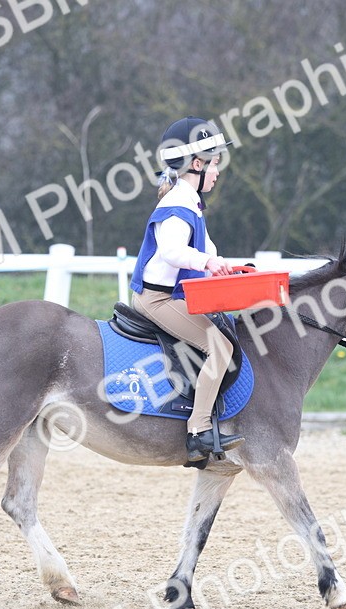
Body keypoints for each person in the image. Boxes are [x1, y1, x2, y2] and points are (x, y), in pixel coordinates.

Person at [129, 116, 245, 461]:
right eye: (215, 163)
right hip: (157, 299)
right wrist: (208, 264)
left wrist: (229, 267)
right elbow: (172, 252)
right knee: (220, 349)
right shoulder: (178, 205)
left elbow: (207, 249)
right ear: (197, 164)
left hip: (172, 295)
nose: (217, 171)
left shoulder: (190, 201)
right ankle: (198, 430)